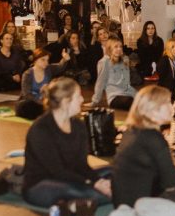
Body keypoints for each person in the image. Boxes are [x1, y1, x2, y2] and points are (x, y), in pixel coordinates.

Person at [112, 85, 175, 208]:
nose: (171, 107)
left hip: (123, 202)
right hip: (145, 206)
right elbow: (171, 182)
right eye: (166, 103)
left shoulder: (131, 130)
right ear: (153, 110)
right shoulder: (154, 138)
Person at [22, 77, 111, 207]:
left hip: (72, 177)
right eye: (78, 96)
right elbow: (57, 171)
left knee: (112, 171)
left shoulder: (78, 125)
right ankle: (101, 194)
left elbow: (82, 165)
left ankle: (88, 196)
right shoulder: (40, 129)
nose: (82, 99)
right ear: (65, 102)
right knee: (81, 191)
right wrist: (92, 182)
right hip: (42, 183)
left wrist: (98, 180)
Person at [17, 47, 70, 120]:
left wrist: (64, 59)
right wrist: (42, 102)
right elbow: (27, 94)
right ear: (35, 60)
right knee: (26, 106)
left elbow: (59, 67)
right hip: (31, 102)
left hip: (45, 101)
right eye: (43, 60)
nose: (46, 63)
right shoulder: (27, 74)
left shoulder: (49, 69)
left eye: (47, 60)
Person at [92, 38, 137, 110]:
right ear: (109, 48)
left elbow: (127, 83)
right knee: (132, 103)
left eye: (120, 46)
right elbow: (100, 83)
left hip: (129, 93)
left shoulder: (124, 60)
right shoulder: (104, 62)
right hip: (115, 97)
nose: (119, 49)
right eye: (116, 47)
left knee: (147, 99)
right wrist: (95, 101)